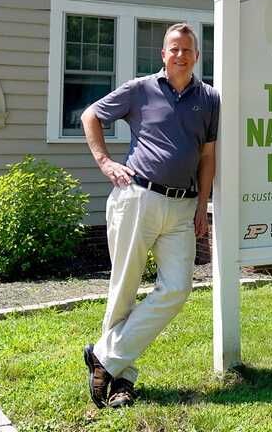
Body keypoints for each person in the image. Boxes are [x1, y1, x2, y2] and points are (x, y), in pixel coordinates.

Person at [80, 23, 219, 408]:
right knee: (124, 289)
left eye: (187, 49)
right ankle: (122, 383)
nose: (180, 55)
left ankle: (103, 358)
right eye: (174, 49)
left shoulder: (209, 99)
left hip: (183, 207)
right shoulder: (140, 89)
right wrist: (105, 161)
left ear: (196, 55)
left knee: (177, 288)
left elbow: (208, 157)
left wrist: (203, 204)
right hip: (137, 197)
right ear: (163, 54)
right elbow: (91, 115)